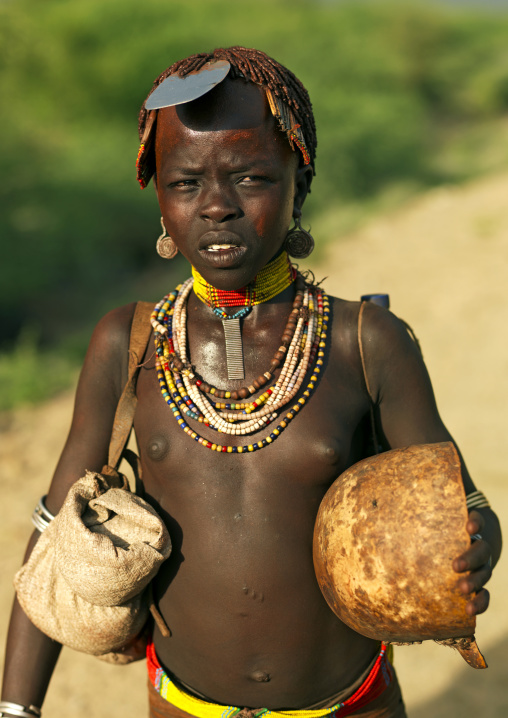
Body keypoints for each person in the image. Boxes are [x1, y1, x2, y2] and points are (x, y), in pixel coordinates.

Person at [1, 46, 502, 718]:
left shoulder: (365, 343)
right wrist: (17, 709)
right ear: (158, 199)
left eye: (251, 178)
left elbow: (462, 502)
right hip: (185, 706)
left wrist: (475, 544)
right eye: (185, 184)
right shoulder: (128, 344)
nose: (216, 207)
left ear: (300, 181)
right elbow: (57, 530)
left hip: (349, 705)